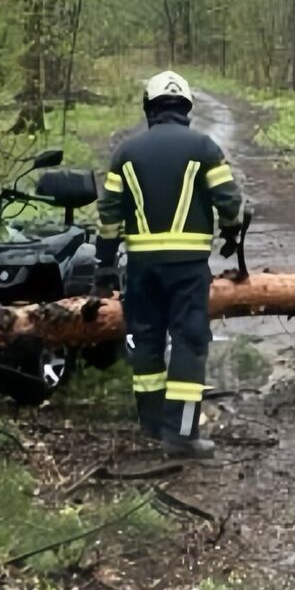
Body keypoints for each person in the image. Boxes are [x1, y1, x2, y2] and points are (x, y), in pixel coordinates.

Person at [93, 71, 249, 459]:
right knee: (188, 341)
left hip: (141, 269)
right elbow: (230, 204)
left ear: (149, 108)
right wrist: (231, 233)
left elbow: (109, 217)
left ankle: (151, 425)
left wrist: (104, 265)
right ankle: (180, 434)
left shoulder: (124, 154)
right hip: (188, 269)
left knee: (145, 341)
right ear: (186, 109)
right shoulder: (205, 148)